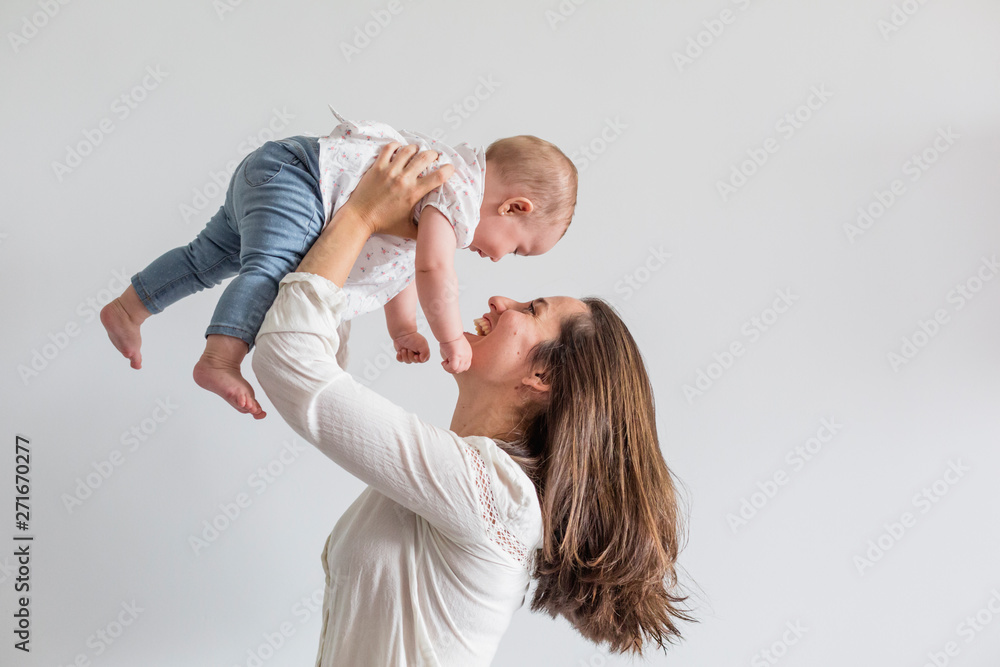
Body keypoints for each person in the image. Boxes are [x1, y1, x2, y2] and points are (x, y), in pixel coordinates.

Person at [249, 141, 695, 665]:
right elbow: (312, 357)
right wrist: (366, 240)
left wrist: (364, 214)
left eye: (531, 309)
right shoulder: (462, 483)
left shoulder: (496, 494)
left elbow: (291, 363)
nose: (499, 299)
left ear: (542, 374)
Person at [100, 109, 577, 420]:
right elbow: (434, 271)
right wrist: (449, 337)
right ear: (515, 207)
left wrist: (403, 328)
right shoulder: (460, 193)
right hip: (300, 181)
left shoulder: (445, 183)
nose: (499, 259)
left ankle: (129, 307)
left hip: (277, 169)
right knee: (270, 273)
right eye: (515, 250)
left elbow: (404, 267)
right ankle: (219, 359)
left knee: (207, 257)